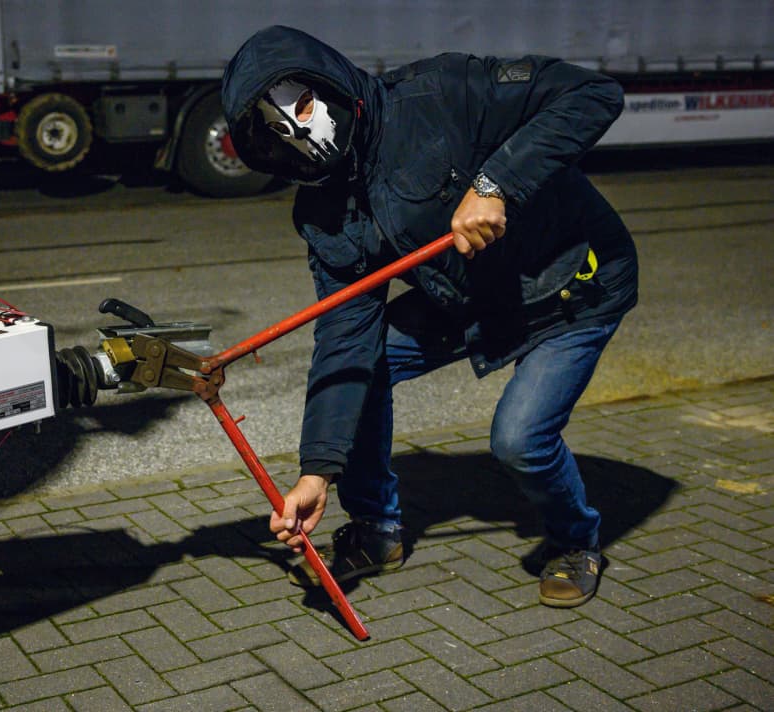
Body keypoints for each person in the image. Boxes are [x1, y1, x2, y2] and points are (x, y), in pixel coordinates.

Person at [221, 25, 638, 608]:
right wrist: (317, 473)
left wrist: (496, 184)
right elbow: (344, 337)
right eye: (277, 136)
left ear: (328, 82)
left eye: (306, 107)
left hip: (572, 287)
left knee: (520, 439)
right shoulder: (323, 209)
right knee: (367, 368)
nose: (301, 136)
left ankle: (576, 541)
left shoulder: (442, 94)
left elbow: (593, 94)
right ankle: (376, 526)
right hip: (470, 300)